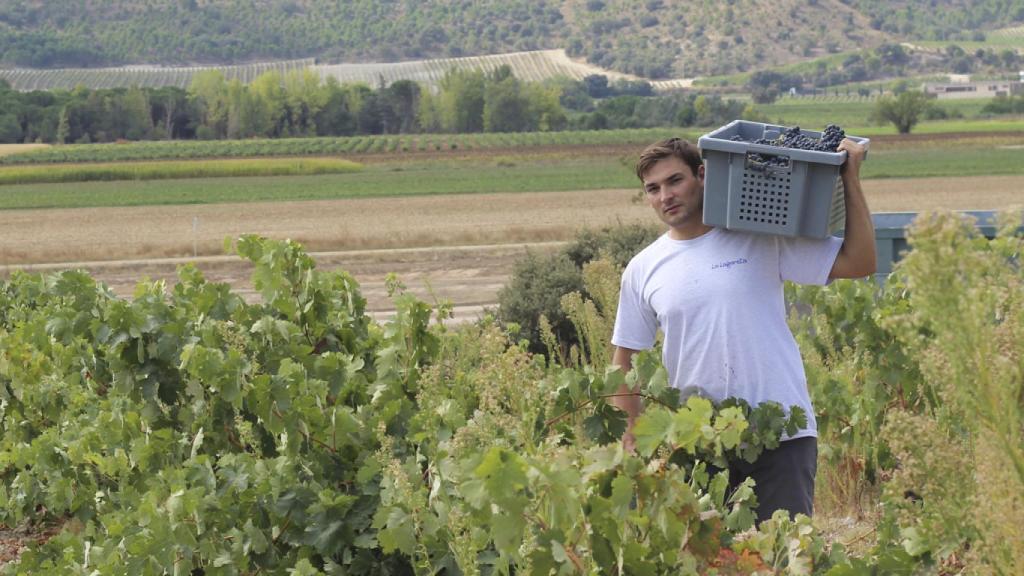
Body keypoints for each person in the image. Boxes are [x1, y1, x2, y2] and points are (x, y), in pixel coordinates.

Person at [609, 136, 875, 522]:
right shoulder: (643, 268)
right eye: (653, 188)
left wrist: (851, 178)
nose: (665, 195)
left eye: (675, 181)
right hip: (698, 442)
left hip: (781, 435)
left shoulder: (760, 236)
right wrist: (631, 436)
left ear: (702, 175)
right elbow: (624, 361)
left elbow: (860, 261)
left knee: (783, 557)